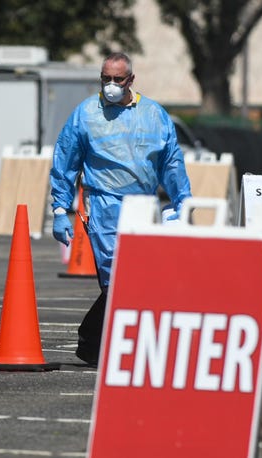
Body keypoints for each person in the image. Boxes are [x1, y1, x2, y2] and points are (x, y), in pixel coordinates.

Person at [50, 52, 192, 365]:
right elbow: (66, 163)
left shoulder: (154, 115)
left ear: (131, 80)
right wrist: (60, 209)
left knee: (142, 277)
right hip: (104, 204)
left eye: (118, 79)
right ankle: (100, 344)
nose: (111, 85)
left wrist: (183, 201)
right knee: (115, 278)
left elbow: (171, 162)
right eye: (106, 79)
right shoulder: (86, 114)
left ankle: (94, 341)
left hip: (144, 204)